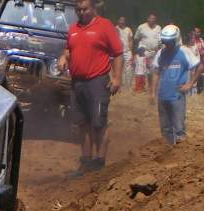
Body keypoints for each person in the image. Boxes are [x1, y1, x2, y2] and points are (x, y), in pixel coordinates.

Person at [57, 0, 123, 175]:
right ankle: (86, 162)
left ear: (94, 9)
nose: (81, 12)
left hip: (97, 81)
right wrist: (63, 58)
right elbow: (68, 50)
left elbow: (117, 53)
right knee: (82, 123)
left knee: (98, 122)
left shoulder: (105, 26)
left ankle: (100, 163)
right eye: (78, 10)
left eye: (85, 9)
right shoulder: (73, 29)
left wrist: (117, 78)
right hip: (77, 82)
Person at [153, 25, 200, 145]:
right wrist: (153, 92)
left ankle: (181, 159)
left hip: (177, 96)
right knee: (165, 130)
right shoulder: (161, 53)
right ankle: (167, 154)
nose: (167, 44)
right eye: (165, 42)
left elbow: (200, 66)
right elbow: (156, 72)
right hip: (163, 96)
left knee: (179, 129)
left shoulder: (184, 51)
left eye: (169, 42)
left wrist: (190, 84)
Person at [134, 13, 161, 97]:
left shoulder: (159, 28)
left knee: (152, 70)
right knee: (141, 69)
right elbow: (136, 38)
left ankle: (151, 87)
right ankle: (140, 88)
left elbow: (161, 41)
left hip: (154, 52)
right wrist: (137, 50)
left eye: (154, 19)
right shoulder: (141, 27)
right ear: (147, 19)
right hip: (143, 51)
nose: (152, 20)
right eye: (151, 18)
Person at [116, 17, 134, 89]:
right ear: (118, 21)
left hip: (127, 51)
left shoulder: (128, 29)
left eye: (123, 20)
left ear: (125, 21)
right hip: (118, 52)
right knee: (119, 68)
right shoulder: (115, 29)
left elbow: (130, 40)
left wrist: (130, 50)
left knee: (128, 68)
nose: (121, 21)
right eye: (120, 20)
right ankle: (120, 85)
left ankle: (128, 85)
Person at [192, 27, 204, 94]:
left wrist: (203, 52)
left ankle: (199, 90)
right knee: (193, 76)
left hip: (200, 61)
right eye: (197, 32)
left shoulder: (201, 40)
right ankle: (193, 91)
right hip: (192, 61)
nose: (198, 33)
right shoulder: (191, 40)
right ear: (194, 32)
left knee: (199, 75)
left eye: (199, 32)